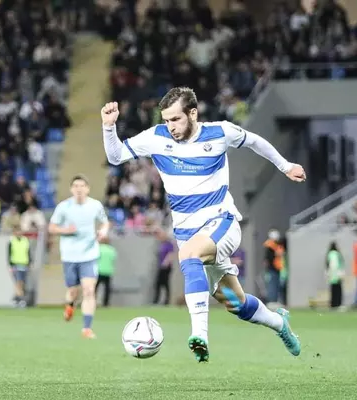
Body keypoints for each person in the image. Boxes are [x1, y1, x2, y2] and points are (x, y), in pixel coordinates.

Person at [101, 86, 305, 362]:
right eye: (167, 120)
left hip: (222, 222)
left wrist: (285, 166)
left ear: (193, 113)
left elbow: (255, 141)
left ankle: (200, 335)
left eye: (176, 119)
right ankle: (280, 324)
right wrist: (109, 127)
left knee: (189, 255)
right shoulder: (155, 138)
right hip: (187, 233)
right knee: (236, 303)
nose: (171, 126)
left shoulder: (220, 133)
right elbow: (115, 157)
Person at [48, 175, 109, 339]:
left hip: (89, 254)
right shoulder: (63, 207)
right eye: (75, 186)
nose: (79, 189)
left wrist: (103, 231)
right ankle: (69, 305)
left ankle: (87, 328)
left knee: (89, 290)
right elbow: (52, 228)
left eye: (82, 186)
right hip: (69, 255)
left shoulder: (95, 205)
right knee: (73, 291)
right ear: (71, 189)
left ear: (87, 189)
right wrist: (65, 230)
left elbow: (105, 222)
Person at [8, 224, 32, 307]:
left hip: (24, 264)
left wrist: (30, 263)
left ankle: (16, 299)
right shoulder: (12, 241)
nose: (19, 233)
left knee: (22, 283)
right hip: (15, 265)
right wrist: (10, 266)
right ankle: (21, 300)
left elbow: (28, 253)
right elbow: (9, 254)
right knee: (18, 282)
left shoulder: (25, 240)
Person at [96, 235, 117, 307]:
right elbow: (113, 259)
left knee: (95, 288)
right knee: (107, 288)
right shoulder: (112, 250)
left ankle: (93, 301)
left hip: (99, 271)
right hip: (108, 271)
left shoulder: (98, 249)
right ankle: (106, 303)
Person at [326, 242, 345, 309]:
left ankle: (333, 304)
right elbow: (338, 265)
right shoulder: (336, 254)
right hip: (337, 275)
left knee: (333, 291)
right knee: (338, 290)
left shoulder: (329, 254)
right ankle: (338, 304)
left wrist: (328, 274)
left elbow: (327, 265)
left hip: (332, 276)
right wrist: (341, 274)